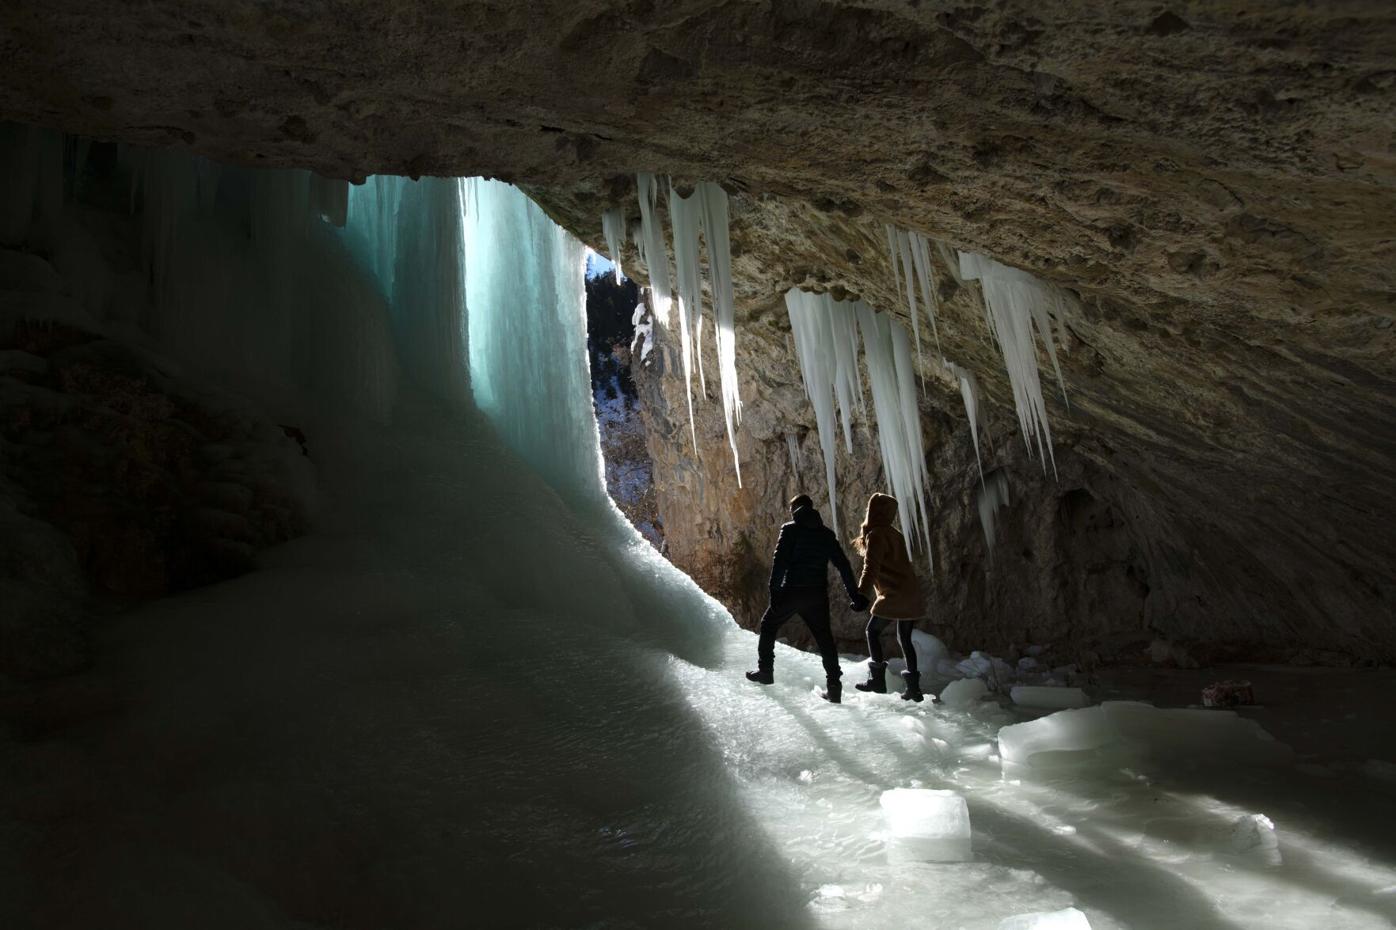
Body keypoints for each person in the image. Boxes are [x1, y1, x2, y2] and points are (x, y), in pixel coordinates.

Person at [746, 494, 869, 703]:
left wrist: (774, 592)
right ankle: (834, 687)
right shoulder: (826, 534)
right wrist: (854, 595)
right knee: (825, 639)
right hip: (817, 595)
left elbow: (780, 562)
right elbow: (843, 565)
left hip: (792, 591)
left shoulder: (789, 529)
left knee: (768, 625)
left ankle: (765, 671)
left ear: (795, 509)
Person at [852, 493, 927, 702]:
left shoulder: (876, 534)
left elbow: (870, 568)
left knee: (872, 631)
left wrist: (861, 594)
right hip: (911, 592)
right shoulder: (895, 533)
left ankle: (877, 680)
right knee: (905, 638)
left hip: (894, 594)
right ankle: (914, 690)